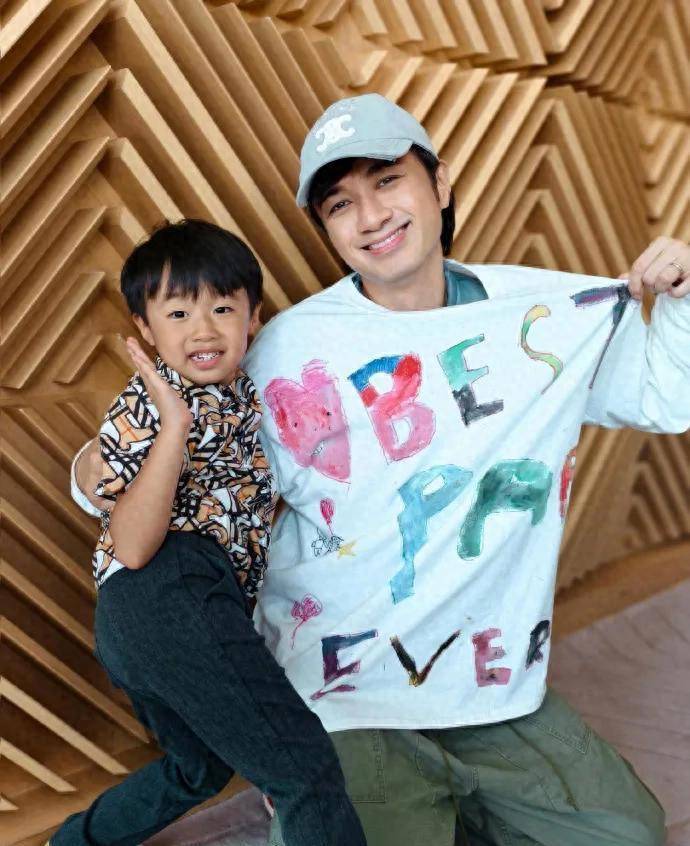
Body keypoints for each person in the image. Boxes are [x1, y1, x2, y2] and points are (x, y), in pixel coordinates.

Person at [73, 96, 690, 846]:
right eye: (341, 204)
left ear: (441, 185)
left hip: (489, 683)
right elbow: (173, 452)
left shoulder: (543, 312)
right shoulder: (286, 349)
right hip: (343, 689)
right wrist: (94, 466)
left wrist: (683, 297)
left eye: (389, 181)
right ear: (328, 229)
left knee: (630, 834)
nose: (370, 217)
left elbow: (666, 396)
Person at [53, 219, 367, 846]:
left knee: (198, 768)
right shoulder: (150, 404)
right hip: (169, 592)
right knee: (305, 769)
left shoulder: (241, 392)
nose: (203, 330)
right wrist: (173, 426)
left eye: (223, 308)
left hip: (161, 613)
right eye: (178, 313)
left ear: (254, 317)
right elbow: (133, 547)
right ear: (145, 328)